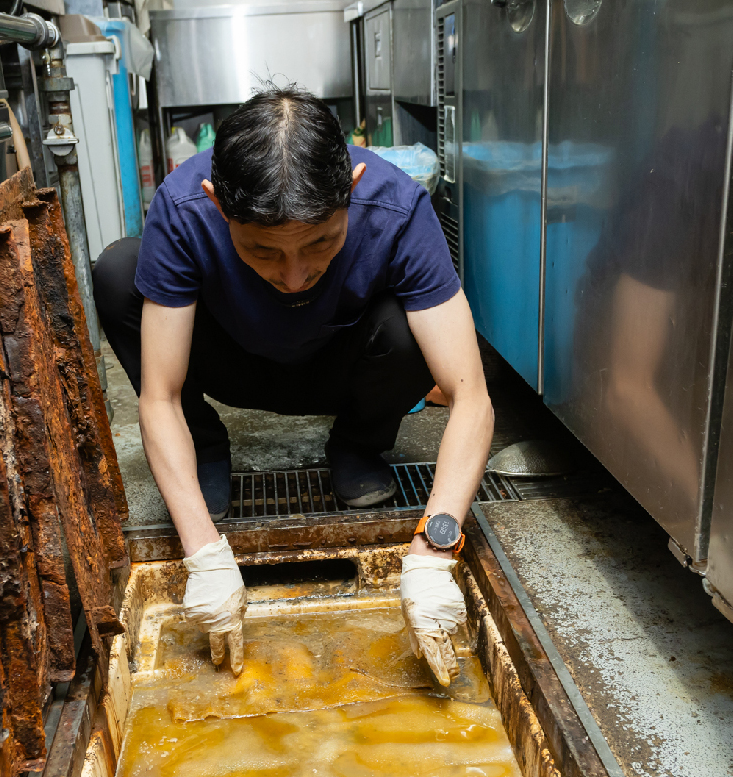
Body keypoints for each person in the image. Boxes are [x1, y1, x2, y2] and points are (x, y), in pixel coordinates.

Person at [94, 84, 493, 685]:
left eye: (321, 243)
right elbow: (158, 397)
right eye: (262, 251)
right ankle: (203, 449)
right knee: (120, 272)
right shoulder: (182, 208)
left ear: (353, 188)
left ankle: (358, 444)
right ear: (214, 202)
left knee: (417, 332)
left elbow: (471, 397)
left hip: (342, 367)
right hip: (232, 362)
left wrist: (436, 553)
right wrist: (203, 554)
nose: (295, 274)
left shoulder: (396, 208)